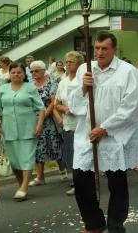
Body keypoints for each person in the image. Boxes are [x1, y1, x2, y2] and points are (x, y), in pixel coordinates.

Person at [69, 31, 138, 233]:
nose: (100, 52)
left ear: (114, 50)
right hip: (88, 133)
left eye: (104, 48)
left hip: (114, 135)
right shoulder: (85, 69)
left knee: (117, 184)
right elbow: (73, 105)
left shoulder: (127, 71)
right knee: (80, 178)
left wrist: (105, 128)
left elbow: (131, 106)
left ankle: (115, 225)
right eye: (97, 48)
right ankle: (95, 223)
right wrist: (83, 88)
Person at [0, 62, 45, 201]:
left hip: (28, 129)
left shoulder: (30, 88)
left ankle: (23, 187)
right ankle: (21, 185)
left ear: (24, 74)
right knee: (15, 161)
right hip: (8, 129)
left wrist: (39, 125)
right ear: (9, 74)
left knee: (27, 158)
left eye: (19, 72)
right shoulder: (3, 89)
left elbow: (41, 108)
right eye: (13, 72)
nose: (16, 75)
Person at [53, 51, 84, 196]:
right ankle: (77, 182)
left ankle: (89, 181)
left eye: (71, 61)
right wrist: (65, 109)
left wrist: (77, 109)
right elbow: (56, 104)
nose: (68, 64)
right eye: (66, 61)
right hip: (68, 124)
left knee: (84, 153)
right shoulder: (63, 82)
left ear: (79, 64)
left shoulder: (83, 80)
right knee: (71, 154)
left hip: (83, 123)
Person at [28, 60, 64, 186]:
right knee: (38, 148)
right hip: (33, 120)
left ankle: (62, 170)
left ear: (43, 71)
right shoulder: (30, 85)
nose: (33, 73)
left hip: (48, 120)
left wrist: (42, 118)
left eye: (36, 71)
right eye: (31, 71)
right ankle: (40, 177)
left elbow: (52, 103)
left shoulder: (51, 83)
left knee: (55, 144)